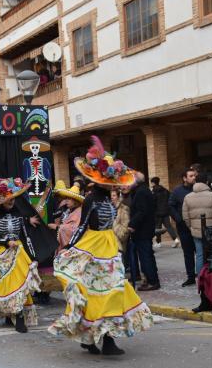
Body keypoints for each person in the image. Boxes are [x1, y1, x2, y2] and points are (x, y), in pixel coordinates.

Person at [49, 136, 153, 355]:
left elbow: (111, 223)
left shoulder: (108, 199)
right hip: (95, 248)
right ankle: (100, 339)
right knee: (100, 293)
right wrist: (70, 247)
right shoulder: (91, 200)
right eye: (109, 182)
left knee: (112, 291)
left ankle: (97, 339)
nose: (113, 185)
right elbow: (84, 225)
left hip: (109, 246)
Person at [0, 177, 41, 333]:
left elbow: (25, 235)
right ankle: (10, 314)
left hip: (18, 251)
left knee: (20, 283)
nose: (10, 201)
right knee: (9, 284)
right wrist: (6, 242)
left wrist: (32, 255)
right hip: (2, 253)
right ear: (1, 200)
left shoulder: (19, 214)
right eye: (7, 199)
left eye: (12, 198)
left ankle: (20, 317)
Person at [183, 172, 212, 276]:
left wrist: (191, 227)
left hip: (196, 231)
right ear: (207, 182)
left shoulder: (188, 197)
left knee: (200, 254)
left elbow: (185, 216)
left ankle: (200, 278)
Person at [129, 172, 160, 291]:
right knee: (147, 255)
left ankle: (152, 281)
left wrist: (132, 224)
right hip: (145, 229)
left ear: (136, 181)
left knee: (145, 256)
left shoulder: (141, 192)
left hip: (143, 230)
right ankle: (150, 279)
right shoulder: (142, 190)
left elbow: (141, 211)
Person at [168, 169, 197, 286]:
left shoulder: (198, 189)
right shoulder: (177, 191)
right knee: (188, 252)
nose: (194, 177)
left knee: (200, 252)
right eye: (191, 176)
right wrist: (178, 219)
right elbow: (170, 206)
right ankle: (190, 276)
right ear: (185, 178)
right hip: (184, 227)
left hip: (197, 226)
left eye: (195, 175)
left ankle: (203, 275)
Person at [48, 181, 83, 253]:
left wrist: (57, 227)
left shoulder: (78, 212)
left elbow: (74, 229)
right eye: (66, 198)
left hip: (73, 247)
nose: (66, 200)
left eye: (69, 199)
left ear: (75, 201)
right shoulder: (68, 210)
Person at [150, 176, 180, 248]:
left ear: (153, 183)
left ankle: (158, 242)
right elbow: (170, 199)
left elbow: (152, 203)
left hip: (157, 213)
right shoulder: (165, 190)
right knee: (169, 226)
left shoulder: (153, 192)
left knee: (157, 227)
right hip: (166, 211)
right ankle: (175, 239)